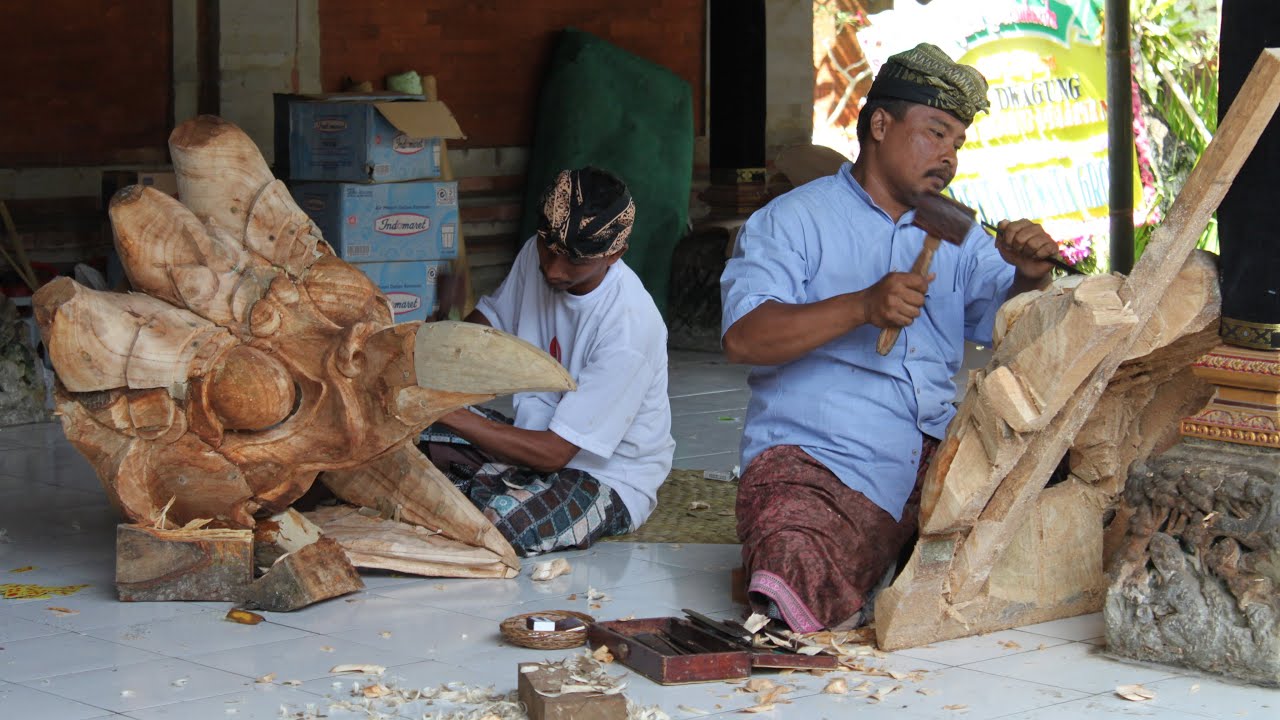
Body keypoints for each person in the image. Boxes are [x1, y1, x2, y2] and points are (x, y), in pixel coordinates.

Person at [719, 43, 1063, 632]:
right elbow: (745, 339)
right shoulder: (793, 220)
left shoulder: (958, 232)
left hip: (934, 453)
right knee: (795, 559)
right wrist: (862, 305)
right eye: (936, 133)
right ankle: (844, 565)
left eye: (957, 143)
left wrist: (1029, 273)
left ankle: (888, 561)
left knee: (1050, 516)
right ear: (880, 124)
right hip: (823, 456)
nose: (949, 157)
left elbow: (1009, 322)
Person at [420, 167, 675, 557]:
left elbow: (555, 453)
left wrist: (444, 410)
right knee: (403, 433)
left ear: (615, 254)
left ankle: (490, 486)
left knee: (502, 523)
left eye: (575, 262)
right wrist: (438, 343)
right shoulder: (538, 254)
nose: (554, 270)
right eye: (549, 251)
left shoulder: (629, 328)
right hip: (533, 442)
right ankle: (495, 481)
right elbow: (491, 327)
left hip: (604, 478)